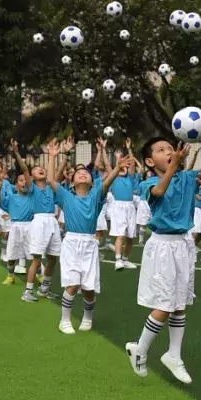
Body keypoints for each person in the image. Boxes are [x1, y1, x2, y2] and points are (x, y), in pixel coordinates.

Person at [125, 137, 201, 385]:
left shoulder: (187, 178)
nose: (168, 151)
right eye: (161, 150)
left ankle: (174, 355)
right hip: (163, 245)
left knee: (180, 303)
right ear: (149, 160)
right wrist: (175, 166)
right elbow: (159, 192)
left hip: (184, 244)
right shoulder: (150, 182)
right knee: (166, 303)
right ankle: (141, 348)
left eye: (170, 148)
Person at [47, 137, 127, 333]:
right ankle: (65, 320)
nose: (82, 174)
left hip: (89, 244)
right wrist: (53, 156)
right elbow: (51, 180)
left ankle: (88, 316)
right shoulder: (66, 196)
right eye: (78, 173)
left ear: (92, 182)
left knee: (89, 289)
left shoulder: (96, 196)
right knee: (72, 284)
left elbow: (107, 182)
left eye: (86, 173)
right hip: (71, 243)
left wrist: (116, 168)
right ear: (72, 182)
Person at [11, 139, 60, 302]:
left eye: (42, 168)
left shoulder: (51, 187)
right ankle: (28, 291)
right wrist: (17, 153)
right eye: (37, 169)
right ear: (30, 177)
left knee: (53, 257)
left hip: (52, 221)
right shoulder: (32, 188)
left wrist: (58, 155)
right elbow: (24, 168)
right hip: (39, 222)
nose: (40, 170)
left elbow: (57, 172)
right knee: (37, 259)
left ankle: (44, 288)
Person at [109, 139, 140, 270]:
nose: (124, 168)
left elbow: (132, 164)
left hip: (130, 207)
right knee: (120, 235)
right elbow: (111, 167)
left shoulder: (131, 178)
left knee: (131, 237)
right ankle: (118, 260)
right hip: (118, 207)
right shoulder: (114, 177)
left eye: (125, 167)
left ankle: (126, 259)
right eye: (120, 167)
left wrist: (129, 149)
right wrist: (118, 160)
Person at [0, 172, 35, 286]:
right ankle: (10, 276)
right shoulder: (11, 197)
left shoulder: (33, 197)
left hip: (30, 226)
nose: (24, 182)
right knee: (12, 253)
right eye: (21, 180)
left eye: (26, 180)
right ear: (16, 185)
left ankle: (39, 275)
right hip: (15, 227)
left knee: (33, 254)